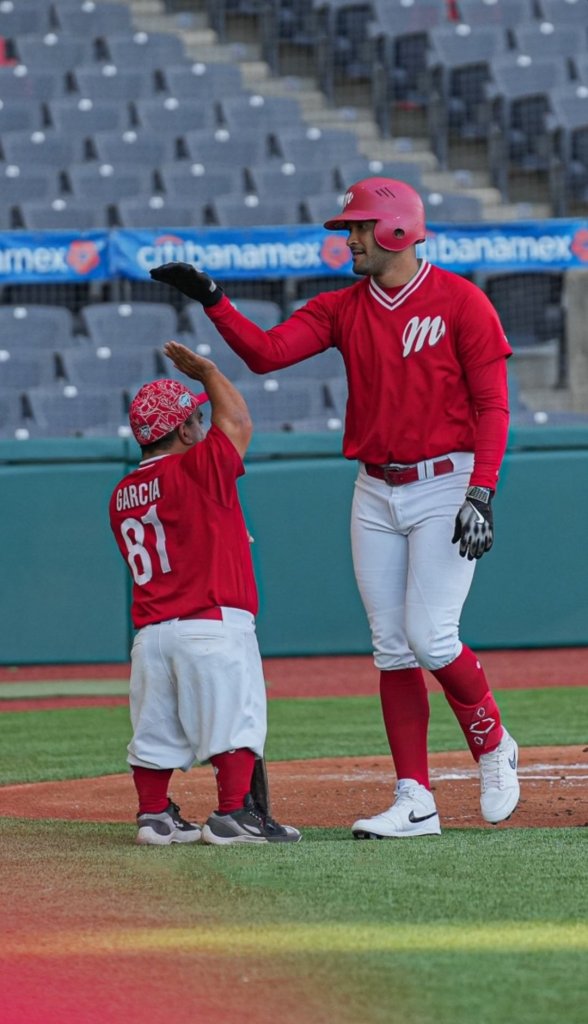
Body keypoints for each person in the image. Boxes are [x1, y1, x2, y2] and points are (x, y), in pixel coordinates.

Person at [149, 176, 520, 839]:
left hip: (447, 480)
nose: (347, 238)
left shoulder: (462, 302)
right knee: (391, 647)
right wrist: (212, 299)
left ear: (396, 230)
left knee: (431, 635)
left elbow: (494, 405)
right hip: (376, 487)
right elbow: (266, 355)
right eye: (347, 229)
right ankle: (415, 799)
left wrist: (482, 490)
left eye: (356, 228)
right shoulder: (343, 307)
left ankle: (492, 745)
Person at [108, 341, 301, 846]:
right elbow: (238, 423)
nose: (200, 424)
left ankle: (154, 816)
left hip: (151, 634)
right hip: (210, 623)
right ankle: (235, 815)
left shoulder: (122, 493)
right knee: (236, 722)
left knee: (155, 733)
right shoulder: (196, 468)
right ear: (180, 431)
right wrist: (210, 372)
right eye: (192, 418)